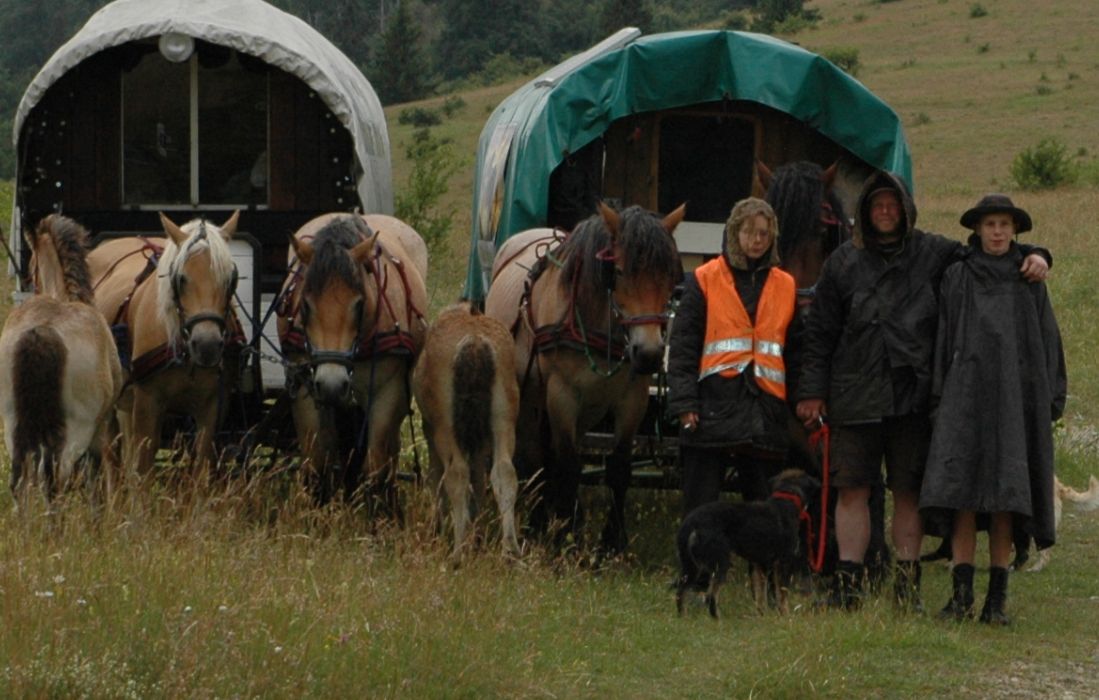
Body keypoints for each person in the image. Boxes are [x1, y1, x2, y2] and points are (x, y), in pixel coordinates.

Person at [795, 172, 1051, 611]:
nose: (886, 211)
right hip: (853, 395)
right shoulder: (841, 263)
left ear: (906, 210)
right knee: (851, 490)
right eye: (877, 205)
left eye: (893, 204)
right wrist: (812, 391)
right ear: (865, 212)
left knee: (908, 491)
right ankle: (847, 585)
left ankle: (907, 587)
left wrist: (1036, 254)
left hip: (910, 397)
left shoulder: (932, 251)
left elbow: (986, 256)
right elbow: (819, 333)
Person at [920, 194, 1066, 625]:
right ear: (978, 230)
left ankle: (996, 601)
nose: (998, 232)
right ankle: (961, 595)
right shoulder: (958, 276)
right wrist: (939, 397)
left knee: (1006, 498)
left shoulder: (1029, 280)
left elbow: (1047, 342)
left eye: (1005, 224)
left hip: (1015, 405)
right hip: (963, 401)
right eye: (990, 225)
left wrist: (1051, 397)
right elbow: (943, 338)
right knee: (962, 495)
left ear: (1015, 231)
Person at [667, 197, 796, 514]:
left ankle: (766, 563)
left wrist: (805, 400)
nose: (756, 240)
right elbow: (683, 348)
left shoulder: (786, 285)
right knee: (701, 506)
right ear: (733, 233)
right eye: (749, 232)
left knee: (767, 511)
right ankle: (698, 563)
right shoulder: (704, 279)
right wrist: (685, 404)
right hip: (711, 411)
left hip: (765, 414)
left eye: (764, 234)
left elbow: (799, 352)